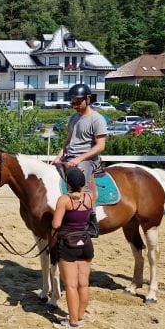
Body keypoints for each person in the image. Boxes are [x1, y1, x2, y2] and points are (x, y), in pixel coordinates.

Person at [52, 83, 107, 235]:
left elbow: (100, 146)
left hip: (87, 158)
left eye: (78, 102)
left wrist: (78, 159)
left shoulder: (97, 119)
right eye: (72, 102)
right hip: (69, 156)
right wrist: (59, 156)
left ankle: (91, 219)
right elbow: (68, 140)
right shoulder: (74, 117)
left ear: (88, 99)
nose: (75, 105)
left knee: (82, 182)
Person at [51, 166, 94, 329]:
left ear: (67, 183)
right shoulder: (90, 198)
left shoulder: (64, 200)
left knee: (70, 285)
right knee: (83, 284)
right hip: (86, 243)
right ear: (82, 183)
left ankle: (73, 323)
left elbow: (56, 224)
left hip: (68, 245)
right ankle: (80, 317)